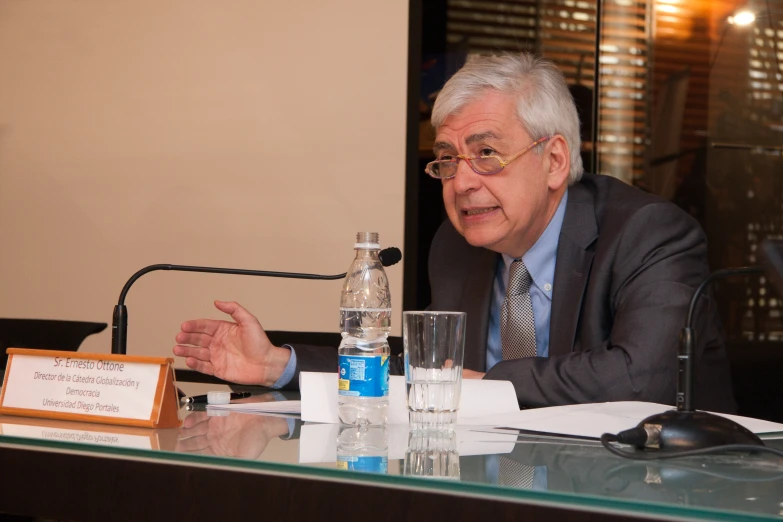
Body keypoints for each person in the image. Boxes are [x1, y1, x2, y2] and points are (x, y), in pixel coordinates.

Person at [174, 53, 735, 412]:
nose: (461, 183)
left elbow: (644, 377)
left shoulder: (647, 234)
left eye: (486, 154)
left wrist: (485, 383)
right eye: (447, 159)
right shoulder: (456, 247)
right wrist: (281, 365)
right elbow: (426, 370)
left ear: (555, 160)